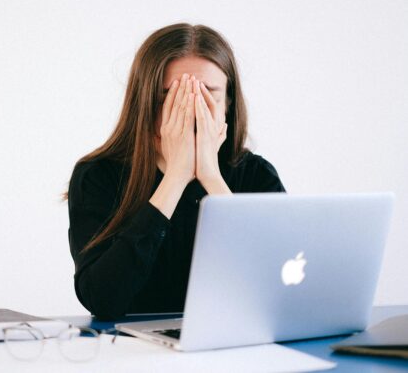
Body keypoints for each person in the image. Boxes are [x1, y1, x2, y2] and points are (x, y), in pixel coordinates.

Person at [64, 23, 286, 320]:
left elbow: (278, 287)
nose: (190, 111)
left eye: (208, 96)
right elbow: (103, 299)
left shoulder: (256, 175)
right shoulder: (97, 176)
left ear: (228, 104)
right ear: (145, 103)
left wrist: (211, 177)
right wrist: (176, 178)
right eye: (172, 97)